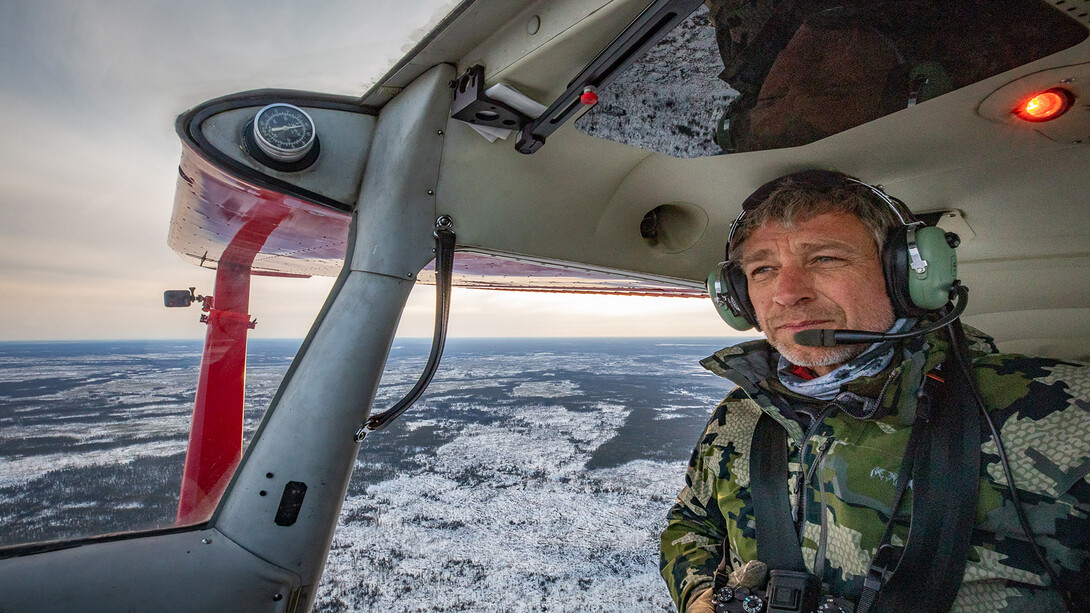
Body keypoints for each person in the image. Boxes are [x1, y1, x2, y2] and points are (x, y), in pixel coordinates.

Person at [659, 170, 1090, 612]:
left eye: (825, 259)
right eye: (763, 269)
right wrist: (699, 597)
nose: (786, 294)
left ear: (904, 276)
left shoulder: (1062, 412)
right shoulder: (743, 412)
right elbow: (692, 521)